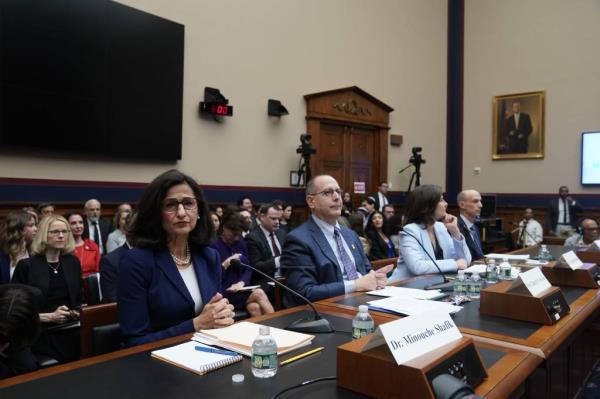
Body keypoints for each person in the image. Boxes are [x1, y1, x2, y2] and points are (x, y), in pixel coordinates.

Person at [118, 169, 234, 347]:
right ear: (156, 213)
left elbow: (213, 315)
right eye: (171, 205)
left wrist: (222, 315)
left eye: (188, 203)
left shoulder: (209, 256)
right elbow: (135, 341)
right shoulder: (136, 262)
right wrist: (195, 325)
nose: (181, 212)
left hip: (208, 354)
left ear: (199, 210)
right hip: (158, 365)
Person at [280, 175, 391, 307]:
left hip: (365, 302)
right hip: (328, 310)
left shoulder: (350, 235)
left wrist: (376, 278)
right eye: (328, 192)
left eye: (338, 191)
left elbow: (366, 271)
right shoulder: (298, 240)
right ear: (311, 201)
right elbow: (304, 293)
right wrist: (355, 285)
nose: (337, 197)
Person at [12, 215, 83, 363]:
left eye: (65, 231)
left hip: (72, 328)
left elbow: (79, 300)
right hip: (40, 332)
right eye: (55, 232)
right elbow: (14, 312)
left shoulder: (73, 262)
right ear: (44, 234)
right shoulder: (27, 266)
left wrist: (76, 311)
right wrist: (49, 316)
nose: (61, 236)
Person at [393, 185, 470, 280]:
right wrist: (454, 264)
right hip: (404, 286)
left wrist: (456, 233)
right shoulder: (410, 231)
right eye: (441, 200)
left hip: (433, 283)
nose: (446, 204)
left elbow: (465, 261)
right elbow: (417, 267)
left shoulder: (440, 227)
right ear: (428, 205)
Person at [210, 209, 274, 316]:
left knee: (254, 307)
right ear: (224, 228)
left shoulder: (240, 243)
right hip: (225, 292)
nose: (236, 238)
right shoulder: (213, 247)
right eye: (234, 234)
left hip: (241, 289)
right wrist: (226, 263)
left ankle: (265, 332)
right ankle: (278, 329)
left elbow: (248, 268)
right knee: (259, 293)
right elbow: (212, 275)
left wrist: (241, 283)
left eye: (239, 235)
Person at [0, 284, 41, 379]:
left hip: (14, 341)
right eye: (2, 328)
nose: (5, 332)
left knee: (28, 366)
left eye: (9, 328)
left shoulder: (27, 321)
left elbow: (27, 339)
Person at [245, 203, 286, 285]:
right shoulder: (252, 237)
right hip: (266, 284)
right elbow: (255, 267)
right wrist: (278, 260)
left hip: (286, 281)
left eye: (279, 219)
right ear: (262, 217)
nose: (277, 222)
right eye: (273, 219)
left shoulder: (282, 234)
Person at [0, 211, 37, 284]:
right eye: (31, 225)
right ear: (19, 228)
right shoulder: (2, 255)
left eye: (35, 225)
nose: (36, 229)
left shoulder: (35, 254)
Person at [64, 211, 101, 278]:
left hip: (90, 285)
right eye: (73, 223)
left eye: (81, 222)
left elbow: (98, 271)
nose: (78, 226)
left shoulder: (92, 245)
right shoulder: (62, 247)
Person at [457, 189, 484, 261]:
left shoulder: (475, 228)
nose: (480, 205)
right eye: (475, 201)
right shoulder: (456, 228)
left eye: (480, 201)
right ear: (462, 205)